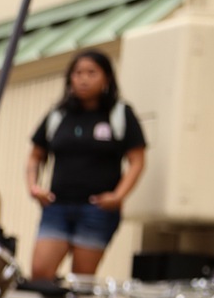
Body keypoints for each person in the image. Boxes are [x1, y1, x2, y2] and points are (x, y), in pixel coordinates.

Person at [25, 50, 147, 281]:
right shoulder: (58, 114)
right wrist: (34, 186)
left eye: (92, 73)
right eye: (78, 73)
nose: (84, 79)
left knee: (81, 279)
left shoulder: (119, 114)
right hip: (57, 206)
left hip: (96, 210)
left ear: (107, 78)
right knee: (40, 272)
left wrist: (118, 196)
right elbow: (35, 155)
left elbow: (137, 160)